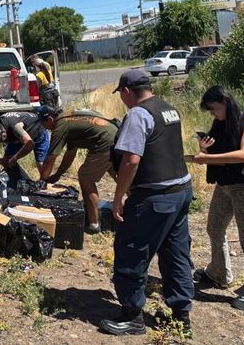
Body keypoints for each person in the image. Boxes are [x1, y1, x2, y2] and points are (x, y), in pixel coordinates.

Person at [100, 69, 193, 337]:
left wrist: (118, 197)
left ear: (127, 91)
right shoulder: (168, 108)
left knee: (132, 250)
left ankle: (132, 316)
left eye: (122, 95)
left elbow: (131, 160)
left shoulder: (138, 115)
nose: (122, 100)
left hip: (154, 197)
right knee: (175, 254)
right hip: (181, 191)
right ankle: (181, 317)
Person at [191, 86, 244, 311]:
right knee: (214, 228)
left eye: (213, 109)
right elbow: (215, 154)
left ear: (225, 103)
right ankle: (219, 274)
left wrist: (206, 160)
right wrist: (204, 150)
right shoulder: (220, 123)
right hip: (224, 187)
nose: (212, 114)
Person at [37, 105, 118, 234]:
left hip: (104, 141)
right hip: (117, 136)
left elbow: (50, 158)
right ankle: (139, 211)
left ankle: (94, 224)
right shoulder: (69, 117)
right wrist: (58, 174)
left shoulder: (60, 126)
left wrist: (42, 182)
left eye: (43, 124)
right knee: (121, 178)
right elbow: (70, 154)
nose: (45, 128)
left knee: (85, 177)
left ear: (50, 119)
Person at [0, 111, 50, 180]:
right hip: (18, 137)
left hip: (38, 131)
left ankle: (44, 183)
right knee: (7, 162)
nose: (1, 142)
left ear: (4, 132)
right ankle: (18, 183)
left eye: (1, 139)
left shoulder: (16, 127)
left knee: (41, 162)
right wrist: (0, 161)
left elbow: (30, 144)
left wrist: (15, 158)